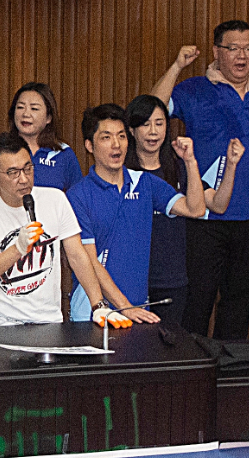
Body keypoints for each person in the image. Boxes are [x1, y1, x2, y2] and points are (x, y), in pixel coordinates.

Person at [149, 21, 249, 339]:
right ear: (217, 52)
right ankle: (192, 363)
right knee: (198, 298)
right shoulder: (194, 89)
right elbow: (153, 110)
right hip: (203, 215)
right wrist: (176, 67)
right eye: (233, 48)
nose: (242, 56)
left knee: (240, 301)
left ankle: (229, 364)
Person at [65, 103, 237, 325]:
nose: (116, 144)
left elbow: (195, 209)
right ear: (89, 145)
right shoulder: (77, 195)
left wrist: (190, 161)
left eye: (121, 136)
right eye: (106, 137)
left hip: (138, 309)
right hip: (93, 311)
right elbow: (88, 260)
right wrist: (124, 306)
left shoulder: (144, 182)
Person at [0, 131, 128, 330]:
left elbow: (77, 256)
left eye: (28, 168)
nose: (24, 179)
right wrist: (17, 249)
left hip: (48, 323)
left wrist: (98, 305)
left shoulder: (55, 200)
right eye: (13, 173)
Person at [125, 95, 200, 330]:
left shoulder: (177, 167)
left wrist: (190, 162)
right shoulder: (121, 172)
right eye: (145, 124)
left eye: (159, 123)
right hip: (131, 280)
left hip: (171, 278)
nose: (153, 131)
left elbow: (198, 208)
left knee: (169, 343)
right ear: (131, 130)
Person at [0, 81, 81, 195]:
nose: (25, 114)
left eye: (34, 109)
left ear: (49, 117)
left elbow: (77, 197)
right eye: (20, 107)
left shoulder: (63, 153)